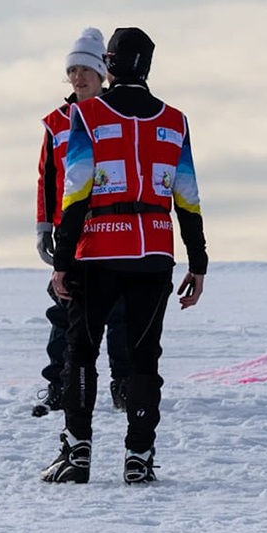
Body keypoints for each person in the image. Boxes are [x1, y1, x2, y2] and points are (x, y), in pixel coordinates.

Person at [41, 26, 206, 485]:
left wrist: (62, 261)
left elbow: (75, 191)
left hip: (97, 250)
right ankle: (139, 456)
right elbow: (188, 197)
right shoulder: (175, 120)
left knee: (81, 351)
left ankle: (77, 454)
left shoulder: (87, 114)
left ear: (109, 64)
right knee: (143, 357)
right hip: (154, 250)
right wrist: (198, 262)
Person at [34, 27, 130, 418]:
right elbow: (47, 178)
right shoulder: (56, 122)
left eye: (85, 70)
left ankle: (124, 385)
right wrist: (44, 227)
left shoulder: (121, 115)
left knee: (121, 311)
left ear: (102, 74)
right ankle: (59, 386)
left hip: (112, 229)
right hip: (71, 233)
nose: (78, 77)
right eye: (72, 71)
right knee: (65, 310)